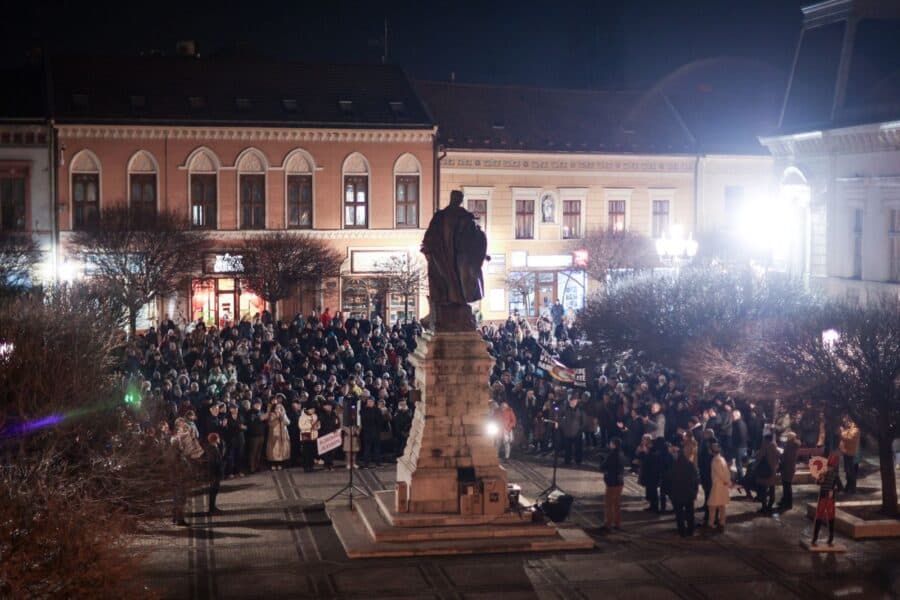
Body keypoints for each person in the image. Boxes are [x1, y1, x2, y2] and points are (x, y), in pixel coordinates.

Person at [811, 453, 842, 546]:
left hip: (822, 497)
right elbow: (841, 488)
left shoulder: (823, 472)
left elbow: (817, 482)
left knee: (819, 517)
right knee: (831, 517)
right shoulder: (835, 475)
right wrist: (833, 489)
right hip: (830, 499)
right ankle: (831, 537)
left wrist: (821, 481)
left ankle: (815, 538)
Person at [669, 444, 700, 538]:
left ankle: (681, 531)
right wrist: (695, 492)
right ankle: (691, 530)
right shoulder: (690, 466)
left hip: (677, 494)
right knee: (690, 514)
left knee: (679, 515)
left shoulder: (674, 466)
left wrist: (671, 493)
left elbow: (670, 480)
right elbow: (696, 480)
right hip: (689, 494)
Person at [708, 441, 731, 531]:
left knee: (712, 505)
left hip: (718, 485)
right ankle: (722, 522)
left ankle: (711, 522)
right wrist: (728, 481)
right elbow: (726, 472)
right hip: (723, 485)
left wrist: (727, 481)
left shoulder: (716, 460)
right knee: (722, 506)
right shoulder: (722, 459)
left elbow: (721, 474)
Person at [602, 437, 625, 530]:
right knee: (616, 503)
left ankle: (608, 524)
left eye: (611, 443)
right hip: (620, 481)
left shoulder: (612, 455)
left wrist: (602, 460)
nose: (609, 444)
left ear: (614, 444)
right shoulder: (621, 454)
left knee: (609, 503)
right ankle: (617, 523)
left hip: (612, 481)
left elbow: (604, 466)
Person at [755, 433, 779, 513]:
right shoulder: (774, 445)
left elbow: (760, 456)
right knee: (772, 488)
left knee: (764, 490)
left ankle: (764, 507)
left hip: (765, 470)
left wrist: (755, 464)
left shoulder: (765, 445)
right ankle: (770, 506)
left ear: (766, 439)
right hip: (773, 470)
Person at [264, 400, 291, 470]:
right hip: (274, 434)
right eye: (277, 408)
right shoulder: (271, 414)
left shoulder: (283, 415)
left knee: (282, 449)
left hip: (283, 434)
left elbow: (288, 422)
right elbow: (269, 423)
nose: (278, 409)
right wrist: (275, 416)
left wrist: (282, 417)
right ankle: (273, 464)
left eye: (280, 408)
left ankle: (280, 464)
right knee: (273, 449)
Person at [559, 395, 585, 466]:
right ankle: (567, 460)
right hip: (567, 431)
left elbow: (583, 421)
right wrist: (563, 427)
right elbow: (560, 418)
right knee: (568, 448)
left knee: (578, 448)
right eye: (572, 401)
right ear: (569, 401)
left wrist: (580, 429)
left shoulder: (580, 409)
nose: (573, 402)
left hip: (577, 432)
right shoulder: (565, 409)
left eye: (575, 401)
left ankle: (578, 461)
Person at [779, 432, 801, 511]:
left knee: (787, 485)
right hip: (788, 467)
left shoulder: (791, 445)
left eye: (788, 437)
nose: (786, 438)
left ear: (791, 437)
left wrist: (781, 456)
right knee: (786, 485)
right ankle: (785, 501)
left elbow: (787, 456)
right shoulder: (792, 444)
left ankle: (788, 503)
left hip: (788, 467)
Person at [838, 416, 860, 494]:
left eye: (845, 422)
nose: (844, 424)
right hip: (846, 452)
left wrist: (841, 432)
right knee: (848, 471)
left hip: (851, 453)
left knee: (850, 471)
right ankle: (849, 487)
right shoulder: (848, 429)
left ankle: (852, 488)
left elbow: (849, 438)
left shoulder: (855, 430)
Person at [205, 432, 225, 516]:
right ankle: (211, 510)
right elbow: (213, 463)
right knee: (213, 492)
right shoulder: (212, 449)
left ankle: (213, 507)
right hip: (214, 475)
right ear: (215, 440)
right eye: (218, 438)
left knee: (215, 491)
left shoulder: (215, 447)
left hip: (216, 474)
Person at [359, 395, 382, 468]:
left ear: (374, 402)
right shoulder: (363, 410)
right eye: (368, 401)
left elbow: (380, 421)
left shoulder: (377, 410)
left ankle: (377, 463)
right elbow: (363, 421)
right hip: (367, 432)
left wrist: (378, 431)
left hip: (376, 432)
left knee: (376, 448)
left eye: (371, 401)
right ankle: (366, 464)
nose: (370, 403)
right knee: (367, 448)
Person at [245, 399, 266, 473]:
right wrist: (259, 419)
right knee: (253, 453)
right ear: (253, 405)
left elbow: (264, 423)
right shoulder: (250, 413)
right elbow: (250, 423)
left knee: (259, 453)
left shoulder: (261, 412)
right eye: (256, 404)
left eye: (259, 404)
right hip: (253, 436)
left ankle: (257, 466)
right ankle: (252, 468)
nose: (258, 406)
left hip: (261, 435)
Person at [298, 403, 320, 473]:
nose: (313, 411)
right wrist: (310, 426)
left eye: (314, 409)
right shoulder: (302, 417)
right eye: (312, 409)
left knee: (312, 452)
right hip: (306, 436)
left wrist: (317, 427)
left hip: (314, 436)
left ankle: (311, 466)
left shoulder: (315, 416)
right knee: (306, 452)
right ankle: (306, 466)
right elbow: (301, 426)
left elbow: (318, 425)